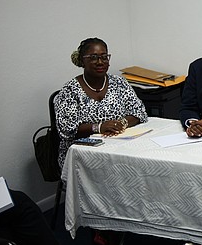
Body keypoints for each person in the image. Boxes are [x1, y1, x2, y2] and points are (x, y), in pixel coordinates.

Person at [54, 37, 148, 169]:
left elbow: (139, 113)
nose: (100, 62)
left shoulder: (119, 83)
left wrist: (122, 123)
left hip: (118, 147)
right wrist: (99, 127)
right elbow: (66, 130)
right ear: (82, 61)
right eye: (93, 57)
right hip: (82, 155)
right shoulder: (70, 90)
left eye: (104, 57)